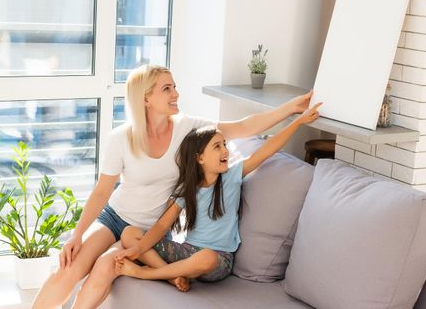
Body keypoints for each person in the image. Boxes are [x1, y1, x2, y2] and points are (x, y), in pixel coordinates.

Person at [32, 65, 314, 309]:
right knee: (69, 269)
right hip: (115, 216)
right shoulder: (120, 138)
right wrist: (77, 235)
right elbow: (102, 191)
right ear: (146, 98)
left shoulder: (187, 128)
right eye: (167, 89)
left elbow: (243, 127)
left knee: (105, 267)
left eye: (175, 87)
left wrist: (291, 108)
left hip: (149, 229)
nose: (176, 94)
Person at [113, 102, 321, 291]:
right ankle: (173, 277)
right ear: (200, 158)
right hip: (187, 252)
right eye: (217, 146)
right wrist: (138, 248)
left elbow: (267, 149)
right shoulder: (187, 188)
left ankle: (147, 273)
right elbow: (161, 226)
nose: (225, 151)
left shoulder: (232, 175)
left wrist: (299, 122)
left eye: (225, 145)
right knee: (129, 233)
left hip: (217, 260)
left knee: (206, 257)